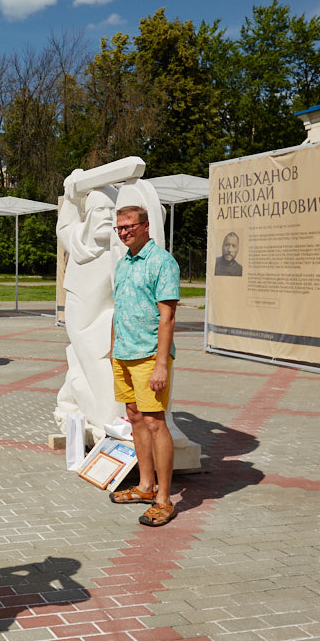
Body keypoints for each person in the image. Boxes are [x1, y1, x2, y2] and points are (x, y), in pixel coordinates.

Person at [108, 205, 180, 527]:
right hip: (124, 354)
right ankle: (145, 486)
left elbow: (168, 316)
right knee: (135, 418)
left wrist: (161, 365)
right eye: (119, 228)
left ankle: (164, 499)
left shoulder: (162, 262)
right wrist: (112, 349)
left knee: (154, 423)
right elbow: (119, 308)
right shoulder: (123, 264)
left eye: (129, 226)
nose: (124, 232)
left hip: (150, 355)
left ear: (145, 226)